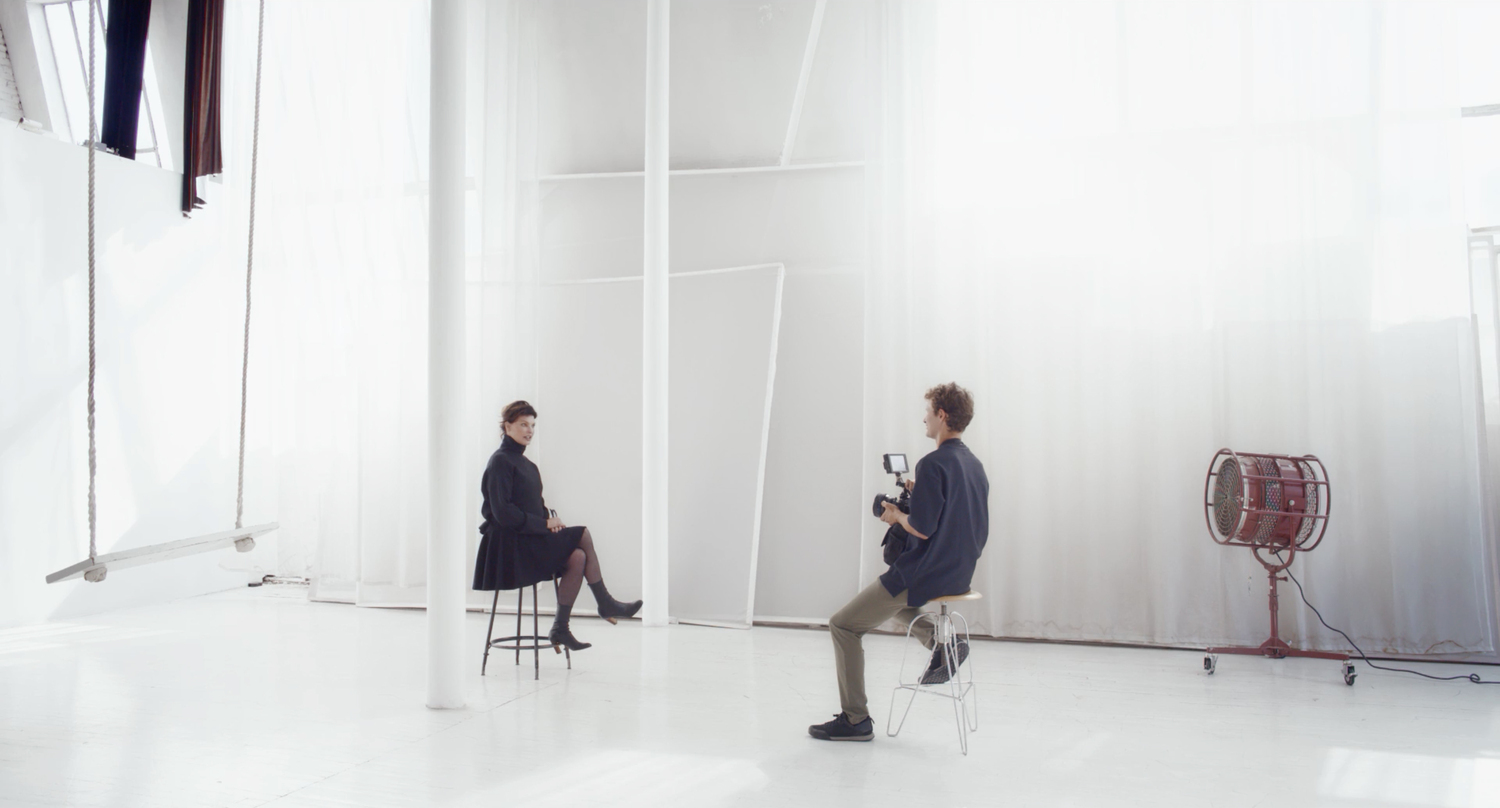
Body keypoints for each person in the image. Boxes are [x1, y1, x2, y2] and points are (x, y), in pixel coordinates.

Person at [808, 383, 989, 742]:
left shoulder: (933, 463)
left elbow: (921, 528)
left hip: (925, 571)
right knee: (896, 606)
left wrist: (895, 516)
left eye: (928, 411)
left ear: (941, 415)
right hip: (959, 573)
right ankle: (942, 644)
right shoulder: (974, 465)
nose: (924, 418)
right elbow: (959, 516)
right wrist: (919, 493)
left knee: (843, 625)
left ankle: (855, 719)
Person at [472, 400, 642, 651]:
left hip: (528, 538)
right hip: (508, 547)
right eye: (523, 424)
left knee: (578, 557)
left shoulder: (529, 466)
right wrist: (544, 523)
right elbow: (503, 513)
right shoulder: (500, 461)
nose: (529, 430)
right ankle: (605, 602)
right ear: (507, 427)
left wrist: (550, 523)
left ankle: (560, 627)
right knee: (582, 533)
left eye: (532, 425)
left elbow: (535, 506)